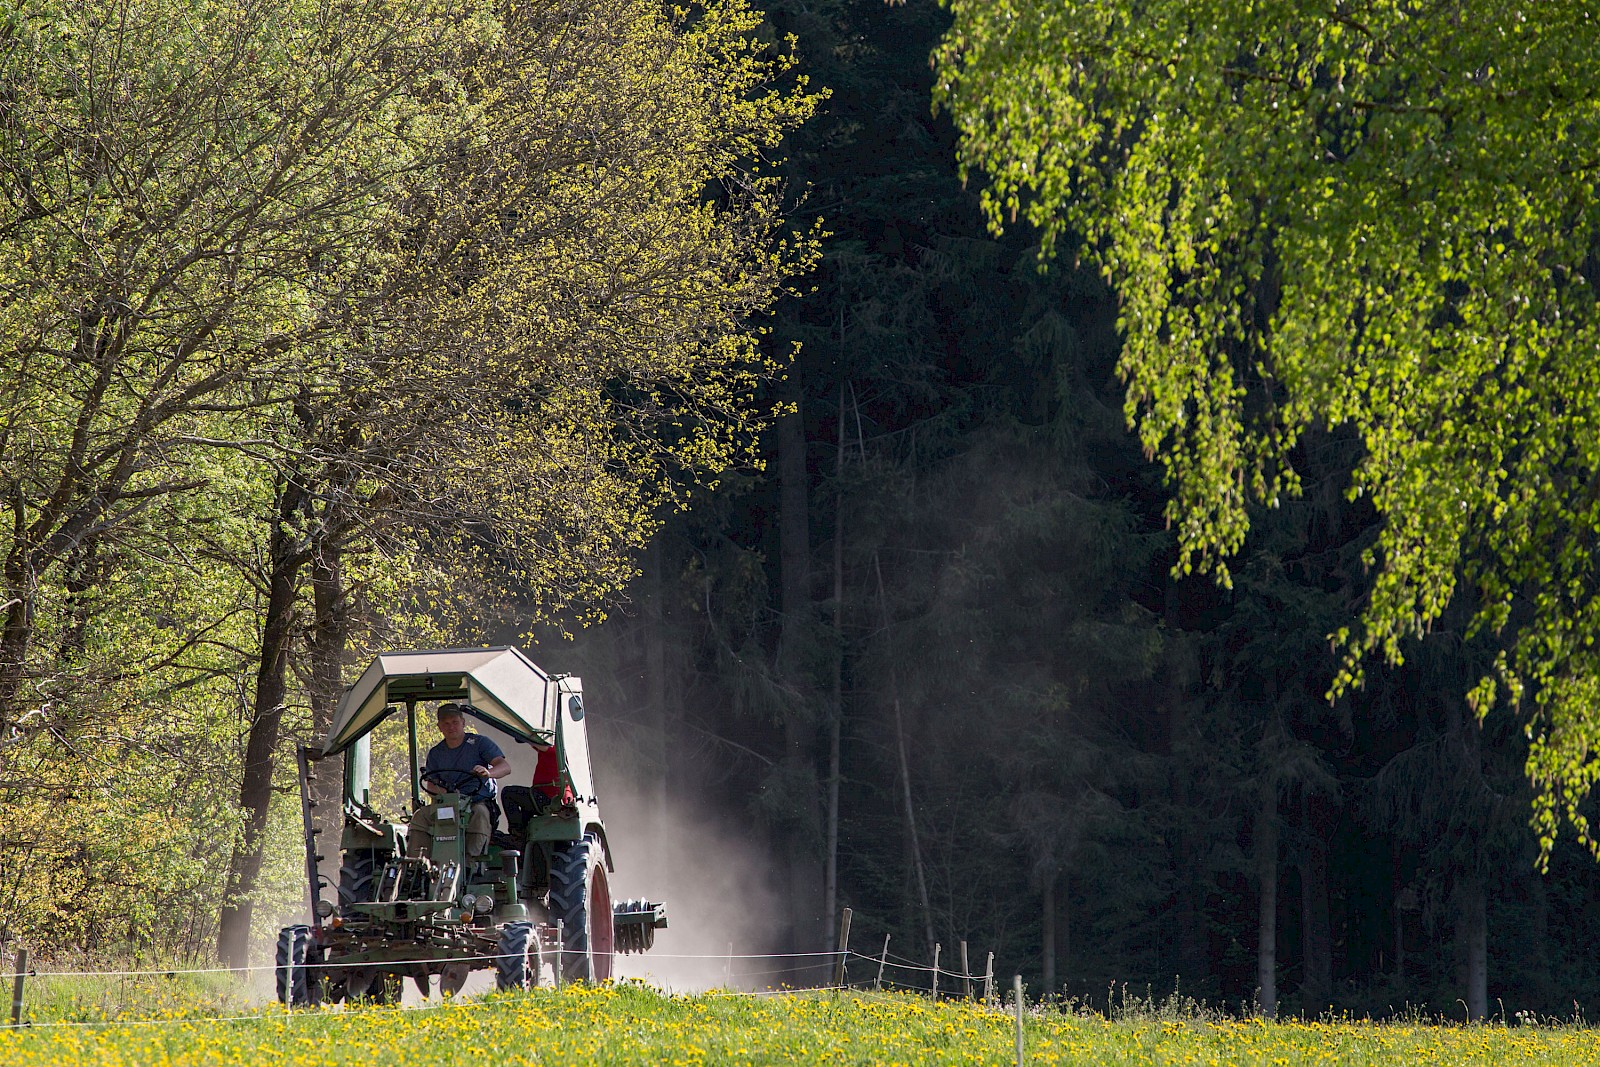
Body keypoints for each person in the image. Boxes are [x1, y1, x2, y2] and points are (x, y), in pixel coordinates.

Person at [406, 703, 510, 860]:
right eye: (446, 723)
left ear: (463, 722)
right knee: (420, 816)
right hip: (448, 803)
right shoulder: (436, 753)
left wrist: (488, 773)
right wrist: (445, 794)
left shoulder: (479, 743)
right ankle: (418, 863)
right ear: (439, 727)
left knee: (480, 814)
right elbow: (431, 784)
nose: (451, 727)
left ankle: (472, 861)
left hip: (476, 802)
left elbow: (504, 767)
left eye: (455, 722)